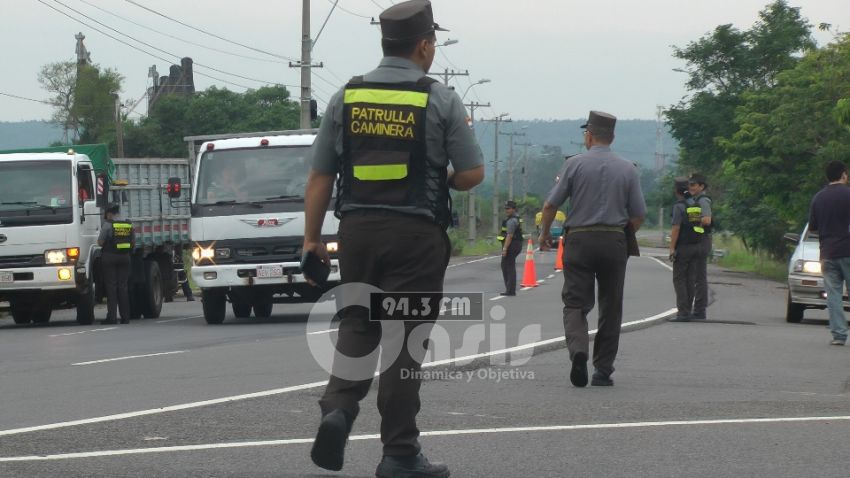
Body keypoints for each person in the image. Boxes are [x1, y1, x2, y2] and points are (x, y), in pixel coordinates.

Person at [301, 1, 484, 476]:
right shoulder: (439, 99)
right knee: (404, 339)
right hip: (414, 236)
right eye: (435, 43)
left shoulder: (347, 97)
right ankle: (399, 452)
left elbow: (320, 175)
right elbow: (472, 173)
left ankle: (338, 407)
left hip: (357, 232)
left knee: (358, 323)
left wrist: (311, 240)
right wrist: (444, 181)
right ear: (423, 46)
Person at [539, 110, 646, 388]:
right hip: (614, 241)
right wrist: (621, 236)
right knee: (611, 306)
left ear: (588, 136)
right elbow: (638, 214)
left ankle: (578, 351)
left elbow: (551, 205)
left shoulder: (573, 165)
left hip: (579, 240)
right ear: (612, 137)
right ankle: (603, 370)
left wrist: (543, 235)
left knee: (575, 303)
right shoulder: (628, 168)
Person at [808, 160, 850, 346]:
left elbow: (813, 227)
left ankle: (839, 335)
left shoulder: (818, 198)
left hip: (828, 253)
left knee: (833, 295)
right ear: (843, 175)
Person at [97, 203, 134, 325]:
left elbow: (100, 242)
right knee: (123, 287)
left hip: (109, 258)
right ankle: (125, 317)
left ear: (109, 213)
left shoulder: (108, 225)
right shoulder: (128, 224)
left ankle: (111, 317)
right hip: (125, 258)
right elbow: (133, 242)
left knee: (111, 288)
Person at [683, 173, 713, 321]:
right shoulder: (693, 200)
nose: (691, 187)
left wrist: (694, 223)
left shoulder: (703, 200)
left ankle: (700, 310)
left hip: (702, 240)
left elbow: (707, 220)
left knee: (699, 277)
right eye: (690, 184)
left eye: (694, 185)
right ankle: (697, 309)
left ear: (701, 186)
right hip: (698, 239)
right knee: (695, 276)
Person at [668, 178, 697, 322]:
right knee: (690, 279)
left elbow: (676, 228)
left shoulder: (678, 206)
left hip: (683, 246)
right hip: (695, 245)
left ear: (676, 191)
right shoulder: (693, 203)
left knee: (679, 279)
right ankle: (688, 311)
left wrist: (672, 248)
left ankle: (682, 312)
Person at [498, 200, 523, 296]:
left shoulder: (512, 221)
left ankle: (510, 290)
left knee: (508, 267)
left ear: (513, 209)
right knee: (507, 266)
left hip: (512, 245)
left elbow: (510, 235)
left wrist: (505, 249)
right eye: (506, 209)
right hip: (516, 244)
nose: (506, 210)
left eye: (508, 208)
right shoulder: (514, 218)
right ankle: (509, 289)